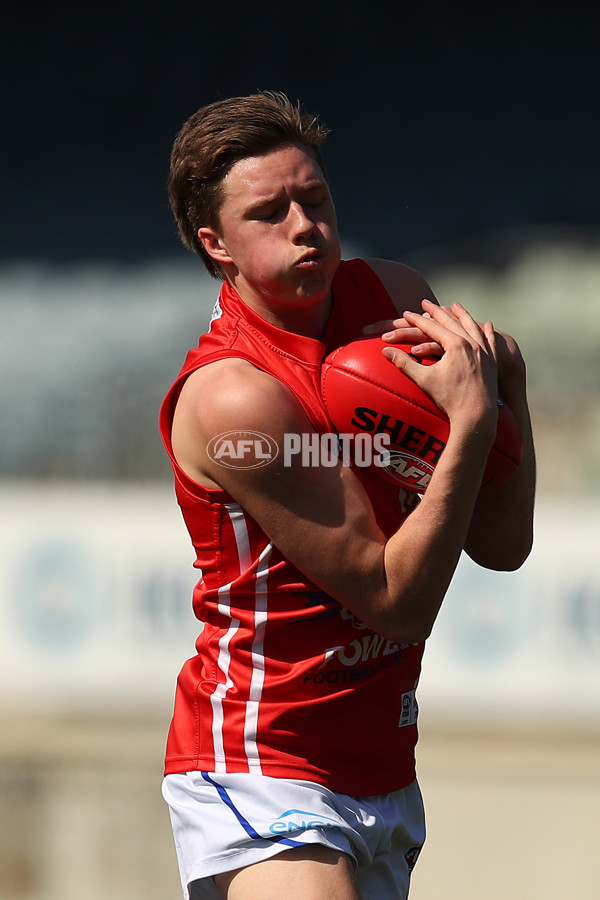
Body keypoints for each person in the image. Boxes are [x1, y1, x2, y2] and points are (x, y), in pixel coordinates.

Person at [159, 91, 536, 900]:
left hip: (380, 759)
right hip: (263, 760)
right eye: (269, 212)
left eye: (316, 198)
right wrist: (470, 426)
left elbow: (502, 548)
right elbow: (397, 602)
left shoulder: (395, 301)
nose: (305, 225)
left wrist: (514, 397)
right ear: (214, 243)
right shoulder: (236, 398)